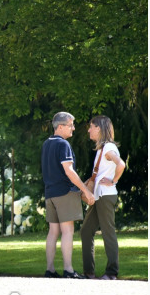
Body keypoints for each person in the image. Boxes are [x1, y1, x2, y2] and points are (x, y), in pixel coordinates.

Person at [41, 112, 95, 279]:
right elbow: (69, 171)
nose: (73, 128)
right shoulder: (63, 145)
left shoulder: (46, 144)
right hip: (64, 192)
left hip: (50, 193)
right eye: (70, 124)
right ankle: (69, 270)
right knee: (67, 231)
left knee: (53, 232)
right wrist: (85, 190)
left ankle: (50, 270)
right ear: (60, 126)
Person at [81, 115, 126, 280]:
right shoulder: (102, 149)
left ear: (99, 128)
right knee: (86, 231)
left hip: (106, 196)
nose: (89, 130)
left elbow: (121, 164)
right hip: (100, 196)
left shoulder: (108, 148)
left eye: (91, 126)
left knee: (108, 233)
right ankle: (88, 273)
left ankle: (112, 272)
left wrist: (113, 180)